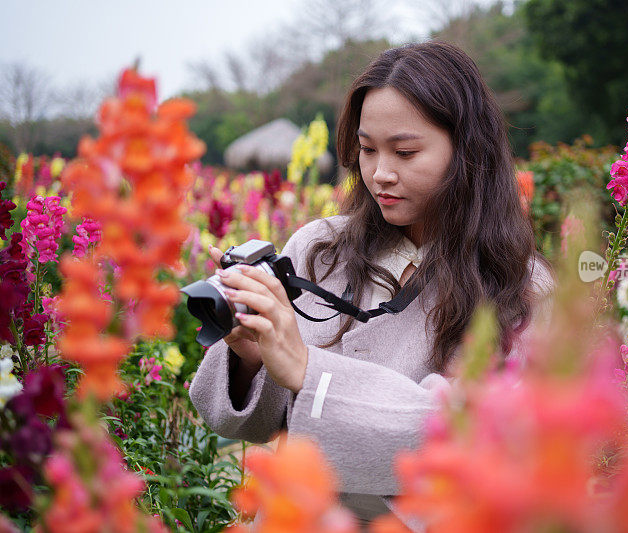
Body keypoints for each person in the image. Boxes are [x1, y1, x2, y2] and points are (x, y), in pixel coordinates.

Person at [189, 41, 554, 529]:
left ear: (467, 150)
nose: (381, 173)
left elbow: (473, 434)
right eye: (366, 149)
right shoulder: (320, 248)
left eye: (405, 152)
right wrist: (251, 353)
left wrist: (307, 367)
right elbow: (241, 424)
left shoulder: (523, 286)